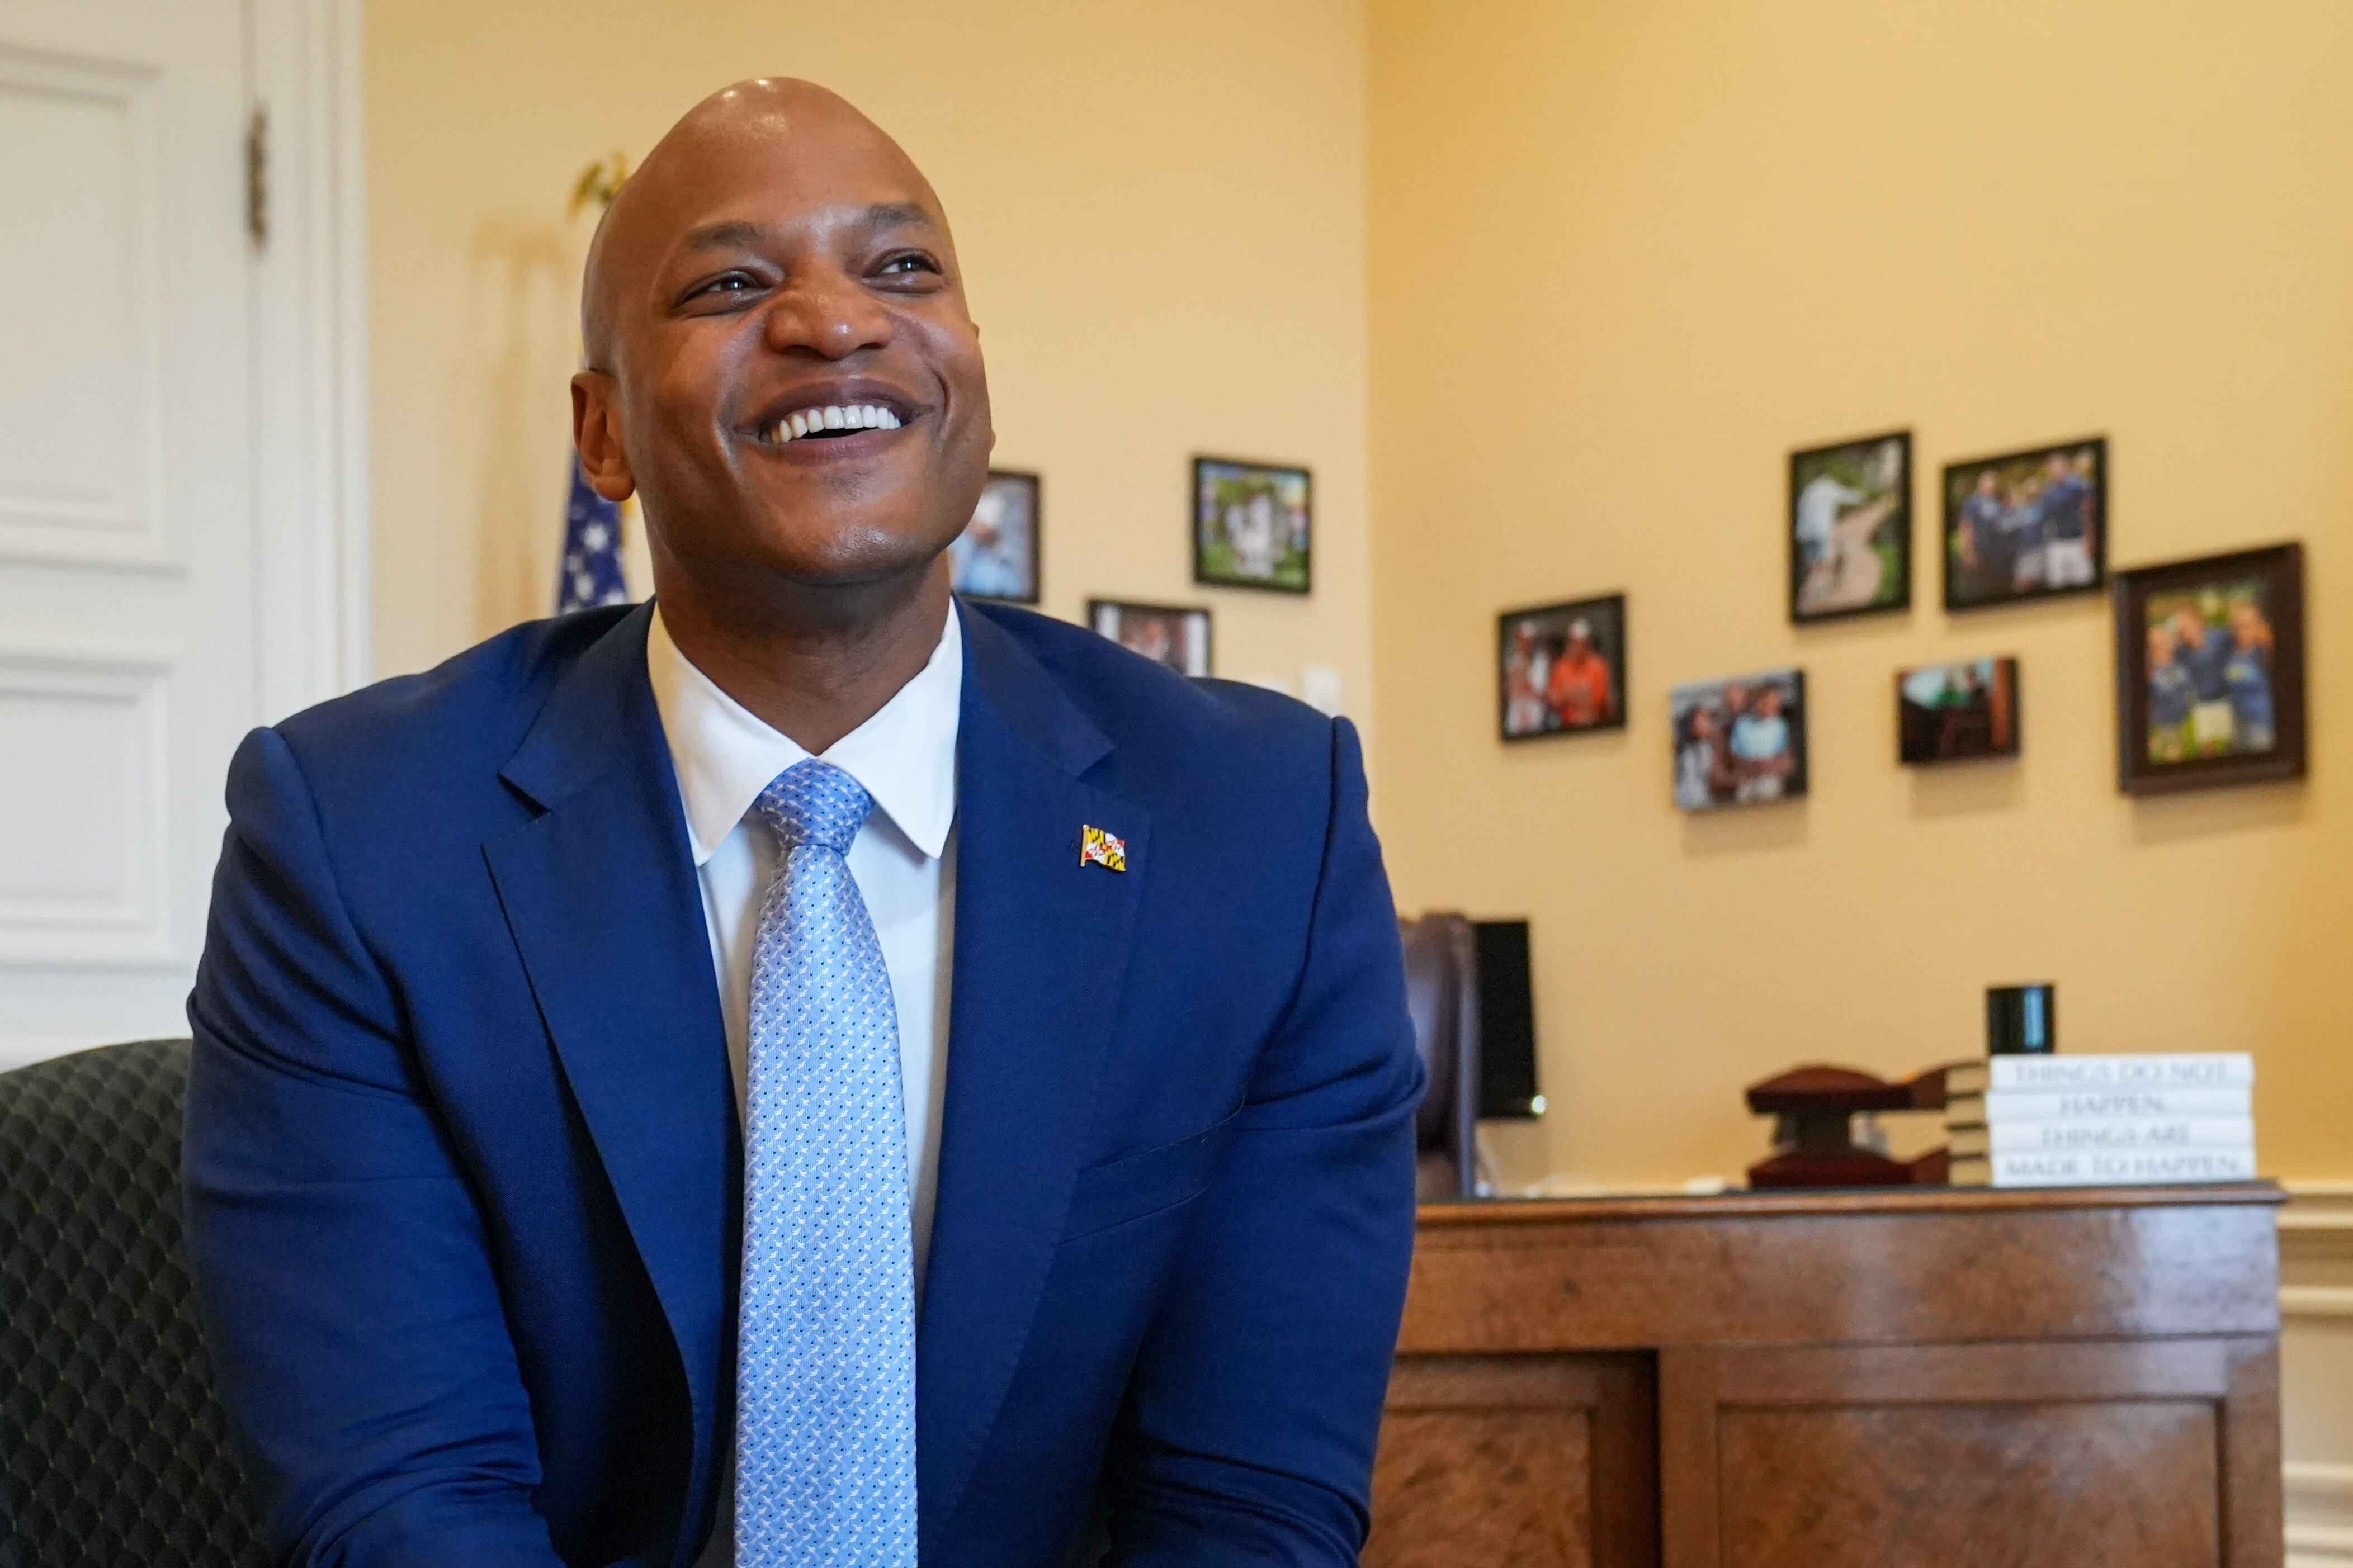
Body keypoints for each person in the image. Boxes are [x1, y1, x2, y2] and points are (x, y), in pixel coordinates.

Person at [181, 78, 1423, 1568]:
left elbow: (1246, 1509)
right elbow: (405, 1501)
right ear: (602, 432)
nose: (836, 321)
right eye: (729, 284)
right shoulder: (356, 838)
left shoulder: (1262, 827)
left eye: (902, 268)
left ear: (974, 378)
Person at [2172, 601, 2236, 754]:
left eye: (2188, 624)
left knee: (2232, 744)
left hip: (2225, 700)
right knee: (2207, 748)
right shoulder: (2181, 651)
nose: (2185, 630)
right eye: (2182, 627)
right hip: (2202, 704)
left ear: (2198, 621)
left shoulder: (2220, 636)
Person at [2222, 598, 2276, 751]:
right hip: (2238, 727)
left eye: (2247, 625)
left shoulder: (2263, 652)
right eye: (2238, 626)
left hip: (2261, 728)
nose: (2242, 631)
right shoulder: (2230, 653)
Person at [2038, 451, 2096, 589]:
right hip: (2056, 544)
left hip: (2077, 541)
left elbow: (2089, 511)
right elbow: (2046, 520)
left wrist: (2090, 538)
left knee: (2084, 581)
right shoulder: (2048, 492)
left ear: (2065, 467)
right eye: (2053, 467)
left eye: (2059, 467)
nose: (2057, 470)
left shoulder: (2079, 485)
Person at [1729, 683, 1794, 802]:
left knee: (1767, 792)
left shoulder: (1780, 725)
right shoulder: (1742, 724)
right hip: (1747, 774)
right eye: (1764, 702)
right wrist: (1750, 766)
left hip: (1770, 774)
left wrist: (1768, 765)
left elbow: (1784, 755)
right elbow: (1735, 753)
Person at [1543, 619, 1615, 728]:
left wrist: (1568, 694)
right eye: (1573, 642)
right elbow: (1553, 698)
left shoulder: (1599, 666)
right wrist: (1578, 694)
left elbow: (1598, 701)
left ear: (1587, 644)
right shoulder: (1561, 667)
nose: (1576, 647)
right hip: (1566, 727)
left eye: (1580, 643)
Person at [1955, 469, 2012, 603]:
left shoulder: (1996, 503)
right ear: (1982, 483)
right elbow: (1966, 527)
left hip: (1996, 555)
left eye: (1994, 482)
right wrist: (1968, 552)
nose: (1992, 484)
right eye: (1989, 481)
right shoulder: (1973, 501)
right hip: (1979, 552)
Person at [2147, 622, 2193, 762]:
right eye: (2161, 642)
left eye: (2166, 639)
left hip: (2182, 720)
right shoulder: (2152, 671)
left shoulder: (2179, 662)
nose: (2167, 644)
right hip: (2163, 723)